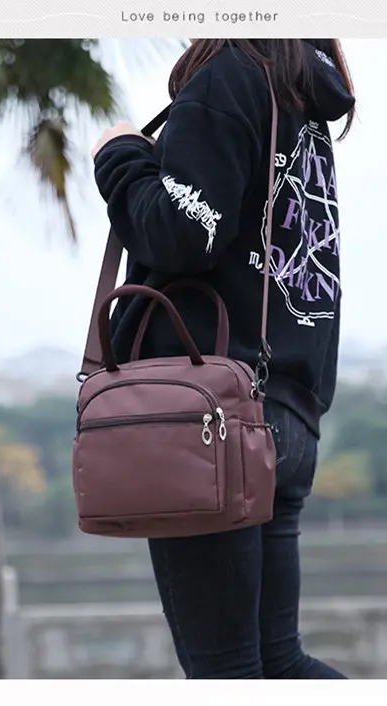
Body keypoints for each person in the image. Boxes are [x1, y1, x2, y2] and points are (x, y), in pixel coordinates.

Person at [90, 39, 355, 680]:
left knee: (227, 673)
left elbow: (185, 234)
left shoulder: (229, 76)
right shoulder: (298, 92)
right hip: (282, 416)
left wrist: (120, 158)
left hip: (210, 423)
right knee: (278, 664)